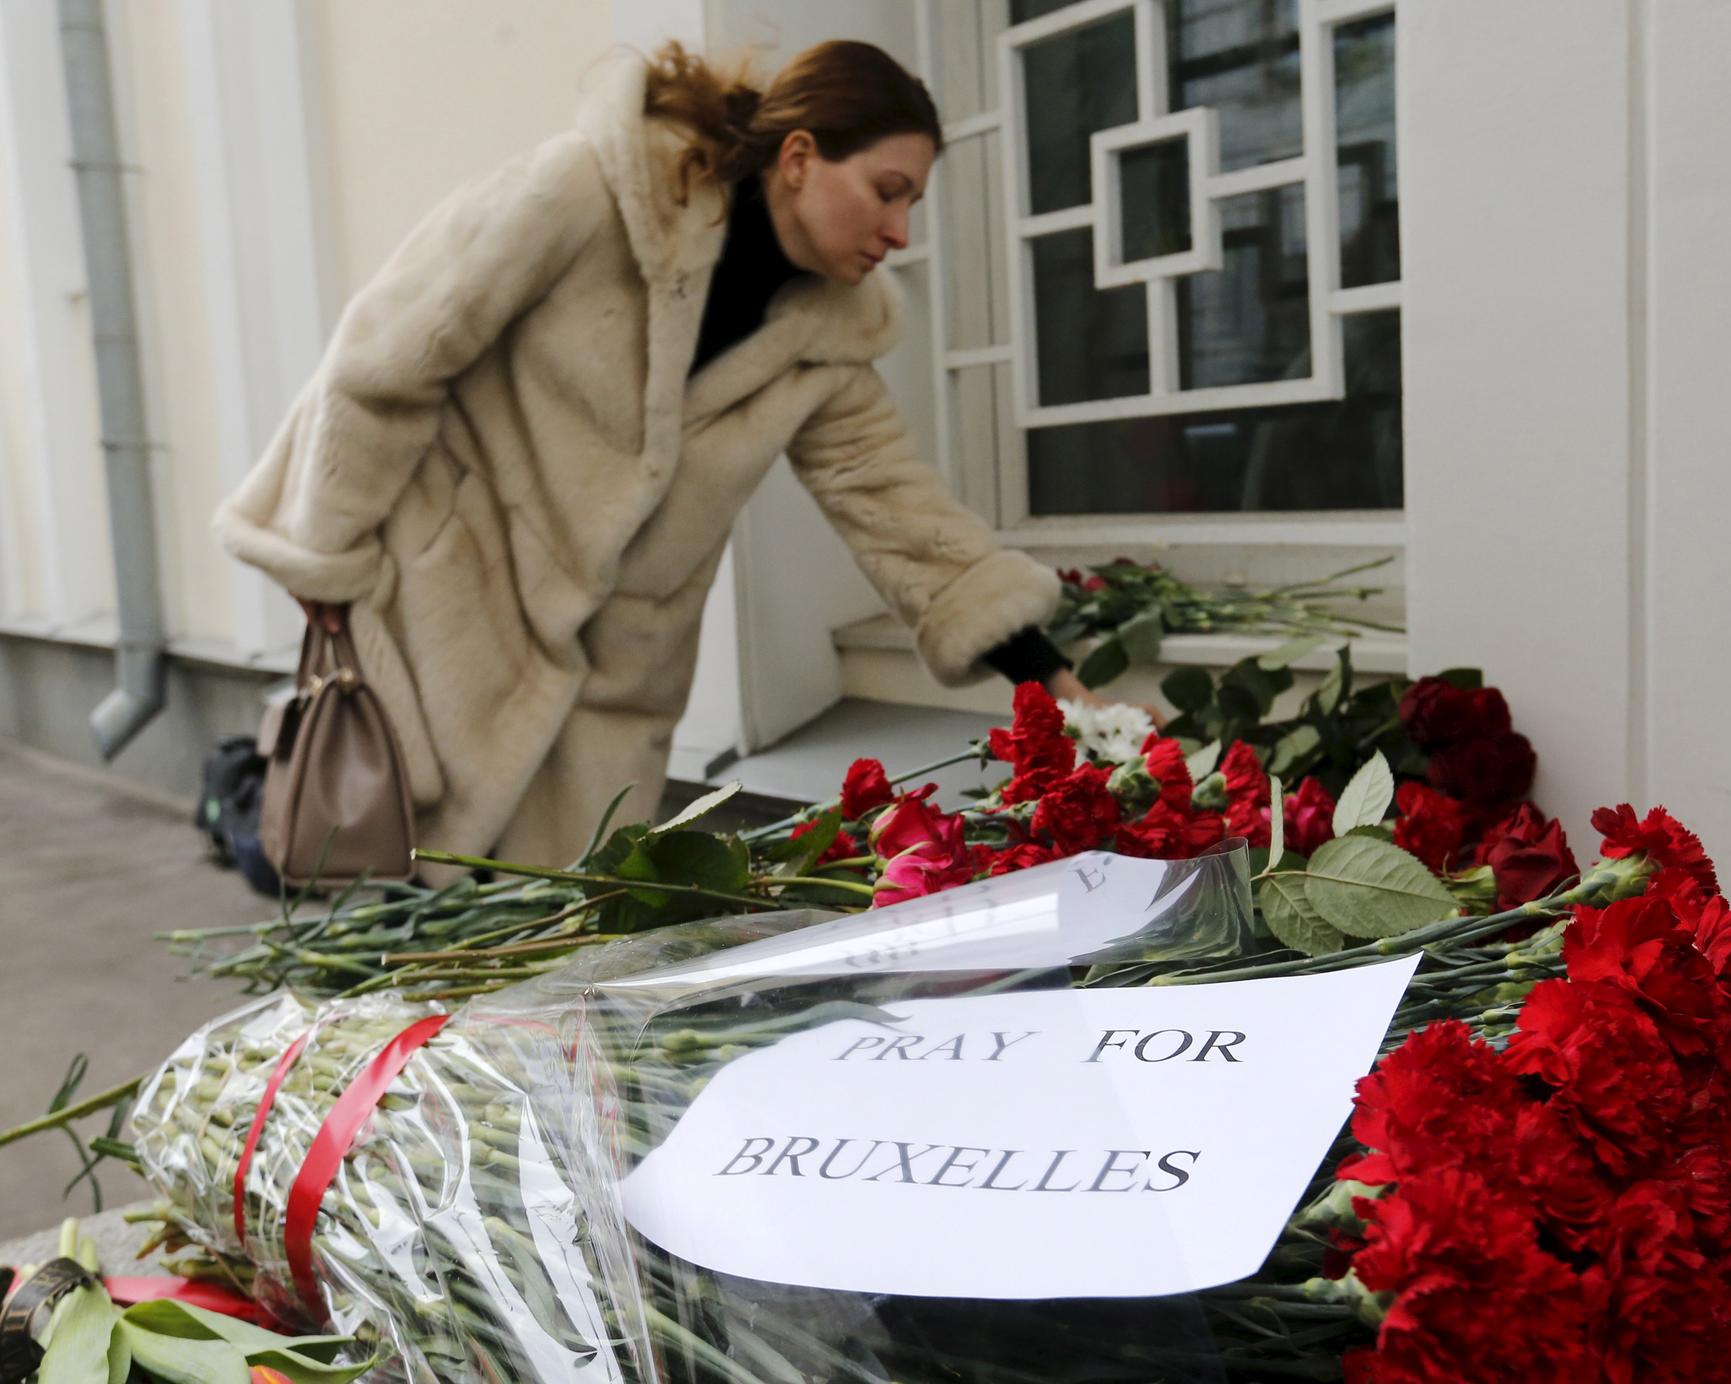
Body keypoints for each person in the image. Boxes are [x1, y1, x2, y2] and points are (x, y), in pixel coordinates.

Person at [216, 39, 1144, 871]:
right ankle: (242, 811)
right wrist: (325, 549)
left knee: (526, 977)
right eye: (888, 191)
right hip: (447, 623)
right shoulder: (589, 191)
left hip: (607, 709)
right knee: (374, 914)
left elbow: (909, 522)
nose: (902, 231)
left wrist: (1069, 696)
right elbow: (393, 353)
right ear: (799, 158)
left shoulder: (828, 343)